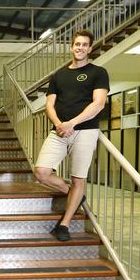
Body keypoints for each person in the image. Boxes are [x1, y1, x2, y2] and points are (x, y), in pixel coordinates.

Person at [33, 29, 109, 242]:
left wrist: (72, 123)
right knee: (41, 172)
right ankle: (74, 195)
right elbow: (49, 104)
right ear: (71, 46)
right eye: (77, 44)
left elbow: (98, 104)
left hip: (85, 130)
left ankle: (65, 223)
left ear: (90, 48)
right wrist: (59, 124)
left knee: (78, 178)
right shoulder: (59, 75)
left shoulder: (98, 72)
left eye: (84, 44)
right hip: (59, 131)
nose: (80, 48)